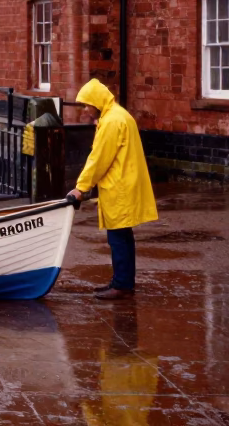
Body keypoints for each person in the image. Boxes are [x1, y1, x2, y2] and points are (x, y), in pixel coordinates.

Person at [68, 78, 158, 301]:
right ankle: (123, 282)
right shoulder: (118, 116)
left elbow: (99, 159)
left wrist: (80, 188)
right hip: (124, 183)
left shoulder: (111, 121)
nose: (87, 110)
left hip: (119, 187)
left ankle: (121, 284)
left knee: (118, 238)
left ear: (97, 101)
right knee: (123, 237)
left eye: (88, 104)